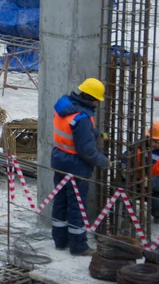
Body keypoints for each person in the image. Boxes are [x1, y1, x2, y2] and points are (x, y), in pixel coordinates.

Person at [51, 78, 110, 256]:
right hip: (75, 166)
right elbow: (86, 151)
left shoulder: (65, 105)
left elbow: (72, 127)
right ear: (91, 98)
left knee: (60, 201)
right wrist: (104, 162)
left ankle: (60, 241)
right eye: (96, 101)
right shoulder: (83, 117)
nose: (97, 104)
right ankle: (78, 246)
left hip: (59, 159)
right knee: (77, 206)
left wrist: (96, 133)